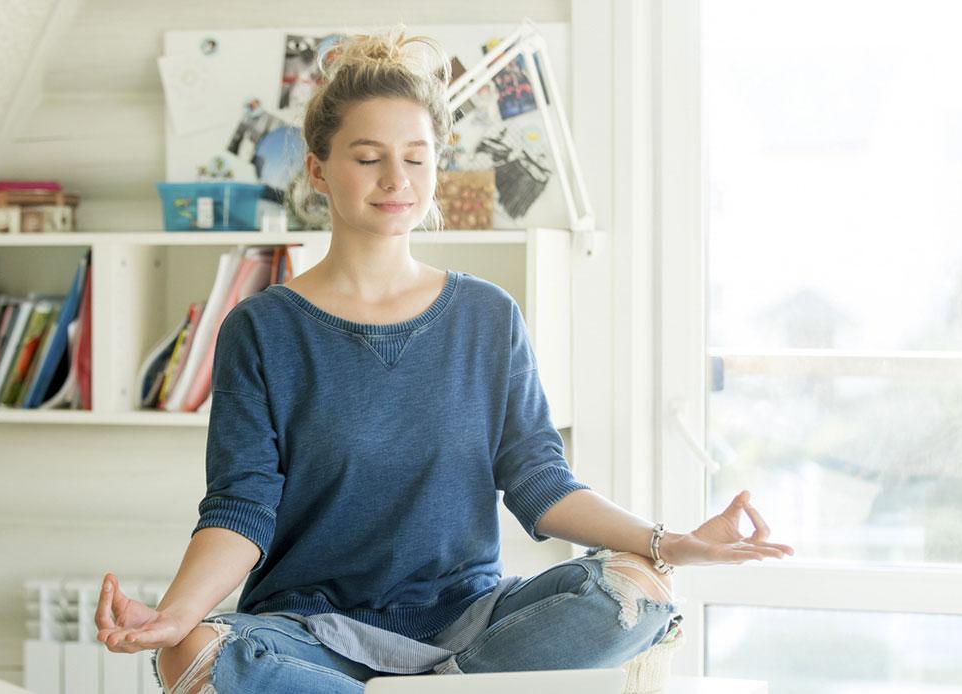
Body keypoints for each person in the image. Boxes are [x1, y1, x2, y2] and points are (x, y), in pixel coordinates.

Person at [96, 26, 794, 694]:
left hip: (466, 624)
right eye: (367, 157)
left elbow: (539, 483)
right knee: (191, 655)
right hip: (311, 630)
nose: (395, 177)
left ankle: (443, 689)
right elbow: (241, 507)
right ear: (318, 169)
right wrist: (177, 615)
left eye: (416, 156)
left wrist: (669, 541)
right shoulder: (263, 328)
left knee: (636, 588)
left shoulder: (486, 316)